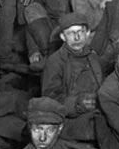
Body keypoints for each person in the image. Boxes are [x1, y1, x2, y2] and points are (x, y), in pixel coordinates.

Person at [41, 12, 103, 141]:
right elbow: (50, 102)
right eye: (71, 33)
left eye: (80, 32)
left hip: (93, 113)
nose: (77, 37)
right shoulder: (55, 62)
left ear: (87, 33)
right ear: (63, 36)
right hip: (68, 121)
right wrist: (77, 104)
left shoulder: (93, 57)